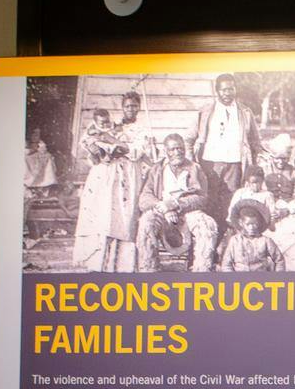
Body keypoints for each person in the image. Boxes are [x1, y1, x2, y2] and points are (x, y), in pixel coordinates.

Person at [135, 134, 219, 270]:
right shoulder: (156, 169)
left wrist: (175, 204)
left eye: (180, 148)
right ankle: (148, 270)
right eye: (172, 149)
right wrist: (165, 208)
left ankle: (201, 272)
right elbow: (144, 198)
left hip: (188, 212)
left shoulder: (194, 168)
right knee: (146, 222)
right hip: (161, 211)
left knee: (207, 226)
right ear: (166, 151)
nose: (177, 152)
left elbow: (202, 197)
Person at [71, 108, 138, 271]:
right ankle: (95, 260)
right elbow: (90, 152)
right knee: (99, 216)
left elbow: (126, 148)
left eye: (107, 121)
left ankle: (118, 262)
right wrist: (98, 151)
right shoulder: (91, 133)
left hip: (118, 173)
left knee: (117, 217)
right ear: (95, 122)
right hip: (101, 174)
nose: (105, 124)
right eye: (102, 122)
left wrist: (112, 143)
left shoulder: (117, 130)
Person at [193, 73, 259, 204]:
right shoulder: (206, 111)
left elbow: (255, 140)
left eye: (231, 89)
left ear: (235, 89)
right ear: (217, 91)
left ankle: (227, 225)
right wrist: (191, 161)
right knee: (210, 198)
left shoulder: (245, 112)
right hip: (210, 163)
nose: (227, 93)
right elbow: (189, 137)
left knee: (230, 199)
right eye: (224, 90)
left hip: (234, 164)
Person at [217, 199, 284, 273]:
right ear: (241, 223)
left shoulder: (265, 241)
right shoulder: (235, 241)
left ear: (258, 223)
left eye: (254, 224)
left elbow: (279, 260)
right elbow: (226, 264)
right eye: (248, 224)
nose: (251, 227)